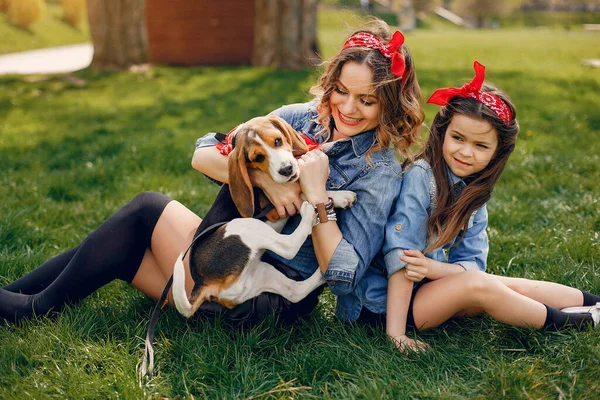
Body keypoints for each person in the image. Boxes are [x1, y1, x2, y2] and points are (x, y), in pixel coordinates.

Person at [0, 19, 425, 324]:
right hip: (228, 250)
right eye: (342, 92)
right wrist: (263, 182)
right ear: (330, 83)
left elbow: (346, 274)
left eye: (366, 101)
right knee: (133, 239)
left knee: (146, 214)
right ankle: (20, 299)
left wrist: (317, 202)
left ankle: (30, 308)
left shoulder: (380, 172)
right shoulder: (299, 120)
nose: (348, 108)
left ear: (390, 103)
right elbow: (205, 151)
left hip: (271, 291)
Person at [356, 61, 600, 352]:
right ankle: (580, 322)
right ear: (442, 133)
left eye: (481, 146)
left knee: (501, 283)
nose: (465, 152)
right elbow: (402, 260)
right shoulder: (422, 177)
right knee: (478, 285)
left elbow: (473, 265)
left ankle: (593, 302)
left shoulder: (472, 187)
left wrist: (434, 269)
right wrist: (396, 334)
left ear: (498, 152)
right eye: (457, 138)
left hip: (428, 291)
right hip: (385, 307)